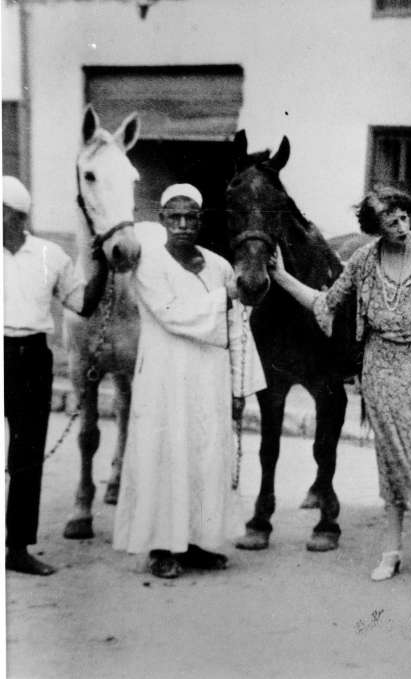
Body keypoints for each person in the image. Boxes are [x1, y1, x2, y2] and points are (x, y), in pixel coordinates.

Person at [270, 185, 411, 582]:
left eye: (404, 216)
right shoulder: (365, 260)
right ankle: (391, 551)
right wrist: (281, 277)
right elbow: (325, 302)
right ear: (375, 227)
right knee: (395, 464)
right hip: (382, 372)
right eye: (391, 221)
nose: (402, 226)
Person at [112, 183, 265, 579]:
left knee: (205, 454)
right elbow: (172, 314)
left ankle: (198, 542)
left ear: (201, 220)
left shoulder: (218, 265)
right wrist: (223, 299)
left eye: (190, 217)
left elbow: (238, 329)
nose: (182, 225)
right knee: (166, 455)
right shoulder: (150, 264)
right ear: (162, 220)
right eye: (174, 217)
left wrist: (239, 387)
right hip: (165, 376)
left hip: (209, 379)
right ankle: (162, 547)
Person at [4, 176, 108, 576]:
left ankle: (17, 549)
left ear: (14, 216)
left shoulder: (51, 255)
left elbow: (82, 304)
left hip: (31, 357)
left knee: (27, 455)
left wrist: (99, 268)